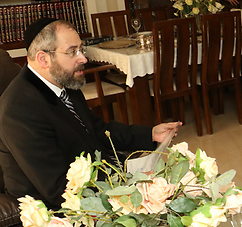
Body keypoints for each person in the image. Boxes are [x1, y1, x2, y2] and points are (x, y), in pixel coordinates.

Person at [0, 18, 181, 209]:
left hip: (99, 178)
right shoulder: (19, 110)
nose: (83, 59)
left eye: (81, 49)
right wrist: (126, 185)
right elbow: (57, 190)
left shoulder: (63, 80)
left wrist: (150, 134)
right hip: (59, 211)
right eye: (72, 52)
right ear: (43, 59)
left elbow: (96, 129)